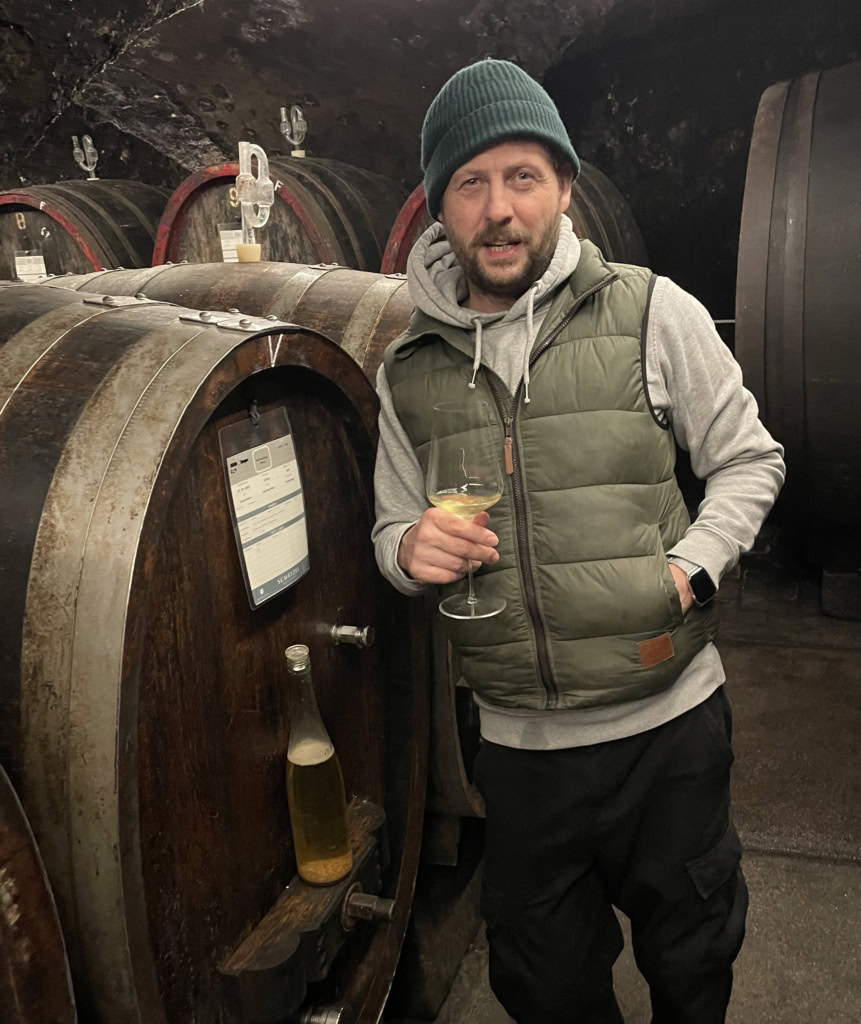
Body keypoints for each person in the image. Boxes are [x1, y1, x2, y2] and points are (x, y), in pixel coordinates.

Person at [371, 59, 785, 1024]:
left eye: (523, 176)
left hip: (667, 727)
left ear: (563, 187)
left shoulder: (651, 310)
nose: (499, 208)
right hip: (517, 751)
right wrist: (405, 551)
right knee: (545, 985)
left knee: (693, 958)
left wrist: (691, 567)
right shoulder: (408, 369)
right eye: (470, 183)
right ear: (441, 208)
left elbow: (748, 459)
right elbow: (394, 522)